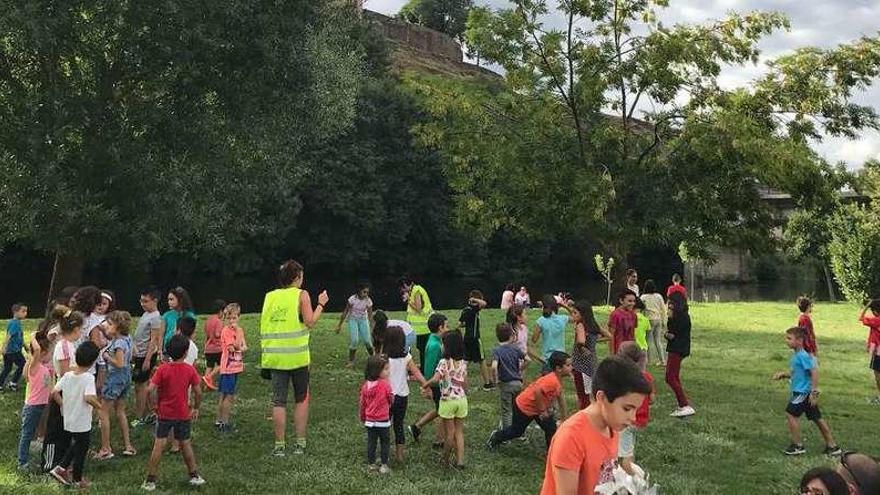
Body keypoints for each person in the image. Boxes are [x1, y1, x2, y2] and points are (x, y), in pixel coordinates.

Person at [540, 356, 652, 495]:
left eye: (636, 409)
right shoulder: (571, 437)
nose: (633, 417)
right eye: (627, 408)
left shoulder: (612, 426)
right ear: (602, 398)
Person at [261, 260, 329, 456]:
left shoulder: (269, 297)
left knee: (279, 402)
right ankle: (300, 443)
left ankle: (280, 446)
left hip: (275, 357)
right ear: (297, 277)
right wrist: (321, 304)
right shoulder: (302, 294)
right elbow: (310, 322)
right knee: (301, 399)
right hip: (297, 357)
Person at [141, 334, 205, 491]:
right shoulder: (189, 370)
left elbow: (149, 390)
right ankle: (194, 475)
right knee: (185, 443)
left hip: (164, 414)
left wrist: (153, 406)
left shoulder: (162, 369)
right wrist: (196, 407)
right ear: (185, 353)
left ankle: (150, 480)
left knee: (159, 445)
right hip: (183, 414)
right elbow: (198, 392)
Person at [773, 326, 842, 457]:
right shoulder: (797, 355)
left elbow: (814, 372)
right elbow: (799, 374)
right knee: (817, 418)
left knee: (790, 414)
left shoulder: (803, 356)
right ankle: (832, 446)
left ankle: (797, 445)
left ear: (799, 341)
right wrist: (784, 375)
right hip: (804, 392)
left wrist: (814, 393)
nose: (786, 341)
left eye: (789, 338)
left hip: (803, 393)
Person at [487, 351, 572, 450]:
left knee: (550, 428)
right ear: (559, 368)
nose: (571, 367)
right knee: (517, 431)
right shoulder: (552, 380)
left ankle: (551, 453)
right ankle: (496, 436)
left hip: (537, 408)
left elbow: (560, 397)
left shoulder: (557, 380)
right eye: (568, 365)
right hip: (523, 407)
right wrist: (543, 410)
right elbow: (537, 391)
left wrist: (565, 418)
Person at [49, 341, 101, 489]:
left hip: (70, 418)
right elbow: (89, 398)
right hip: (82, 421)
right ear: (92, 362)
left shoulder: (67, 376)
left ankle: (60, 469)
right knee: (82, 449)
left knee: (77, 443)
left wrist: (64, 405)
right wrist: (100, 407)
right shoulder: (88, 378)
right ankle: (78, 480)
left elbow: (54, 392)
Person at [43, 308, 82, 472]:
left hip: (70, 391)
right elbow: (65, 372)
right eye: (80, 329)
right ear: (74, 329)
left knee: (66, 430)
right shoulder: (64, 346)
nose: (81, 332)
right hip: (62, 391)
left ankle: (62, 463)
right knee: (55, 429)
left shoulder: (69, 345)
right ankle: (49, 464)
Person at [422, 330, 468, 468]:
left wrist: (425, 384)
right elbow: (465, 382)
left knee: (449, 433)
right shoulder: (463, 363)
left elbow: (436, 379)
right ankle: (460, 461)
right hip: (461, 400)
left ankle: (445, 459)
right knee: (459, 432)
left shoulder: (443, 362)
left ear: (447, 347)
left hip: (448, 401)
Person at [95, 311, 135, 460]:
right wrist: (101, 328)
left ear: (118, 327)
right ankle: (128, 446)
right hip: (126, 378)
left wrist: (106, 356)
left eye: (110, 324)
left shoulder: (118, 343)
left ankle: (105, 448)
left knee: (103, 411)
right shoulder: (127, 338)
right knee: (120, 411)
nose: (107, 326)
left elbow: (120, 363)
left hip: (115, 379)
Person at [384, 326, 427, 463]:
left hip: (386, 396)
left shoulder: (383, 358)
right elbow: (417, 372)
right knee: (399, 425)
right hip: (402, 396)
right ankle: (400, 456)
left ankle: (385, 454)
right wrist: (426, 385)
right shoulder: (406, 357)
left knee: (385, 425)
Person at [409, 313, 448, 449]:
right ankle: (439, 440)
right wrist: (428, 387)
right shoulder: (434, 346)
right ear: (440, 328)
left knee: (440, 409)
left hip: (437, 383)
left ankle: (417, 427)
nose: (447, 329)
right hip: (436, 384)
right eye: (446, 326)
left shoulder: (434, 340)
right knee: (442, 411)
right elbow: (429, 368)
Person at [616, 342, 654, 477]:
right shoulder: (646, 377)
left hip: (626, 421)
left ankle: (636, 481)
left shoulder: (623, 378)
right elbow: (652, 399)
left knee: (623, 457)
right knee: (628, 449)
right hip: (640, 421)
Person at [17, 333, 52, 471]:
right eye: (48, 352)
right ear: (42, 353)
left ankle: (32, 460)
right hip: (32, 407)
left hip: (41, 406)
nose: (50, 355)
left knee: (32, 432)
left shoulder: (43, 368)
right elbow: (36, 350)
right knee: (27, 434)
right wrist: (32, 337)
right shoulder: (34, 366)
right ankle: (22, 463)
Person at [131, 287, 164, 429]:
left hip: (145, 355)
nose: (142, 304)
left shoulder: (156, 317)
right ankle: (145, 411)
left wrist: (148, 359)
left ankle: (141, 416)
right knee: (138, 386)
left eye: (146, 301)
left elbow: (154, 340)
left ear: (155, 301)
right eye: (141, 301)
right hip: (138, 354)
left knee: (142, 386)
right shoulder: (146, 314)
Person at [571, 301, 612, 410]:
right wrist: (594, 342)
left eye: (575, 313)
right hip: (592, 363)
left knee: (582, 395)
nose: (572, 315)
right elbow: (609, 336)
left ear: (582, 314)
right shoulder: (593, 325)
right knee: (589, 391)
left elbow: (581, 341)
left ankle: (585, 416)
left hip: (580, 365)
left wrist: (582, 346)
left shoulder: (580, 325)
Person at [359, 355, 393, 474]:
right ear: (377, 371)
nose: (388, 371)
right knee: (385, 442)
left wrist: (363, 416)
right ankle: (384, 465)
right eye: (386, 369)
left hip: (369, 421)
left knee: (371, 442)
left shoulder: (365, 386)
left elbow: (362, 404)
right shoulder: (385, 385)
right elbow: (390, 398)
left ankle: (371, 464)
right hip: (383, 420)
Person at [665, 292, 695, 417]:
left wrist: (669, 320)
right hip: (682, 348)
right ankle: (682, 403)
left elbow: (671, 334)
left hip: (676, 348)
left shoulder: (677, 317)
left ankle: (684, 404)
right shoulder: (685, 315)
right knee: (675, 377)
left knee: (670, 377)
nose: (668, 305)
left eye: (670, 302)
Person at [217, 303, 246, 432]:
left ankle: (220, 420)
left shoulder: (239, 331)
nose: (231, 321)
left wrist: (240, 342)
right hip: (228, 368)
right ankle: (224, 422)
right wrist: (238, 334)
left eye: (234, 318)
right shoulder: (227, 331)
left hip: (236, 367)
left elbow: (245, 346)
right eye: (229, 318)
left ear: (238, 318)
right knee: (227, 396)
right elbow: (235, 347)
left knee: (226, 394)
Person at [492, 323, 525, 429]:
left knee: (506, 410)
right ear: (511, 336)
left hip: (506, 384)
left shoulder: (497, 351)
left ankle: (506, 434)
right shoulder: (515, 349)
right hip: (518, 382)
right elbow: (528, 359)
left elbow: (493, 367)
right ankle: (519, 431)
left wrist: (496, 380)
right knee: (517, 408)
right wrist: (520, 369)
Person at [458, 289, 492, 390]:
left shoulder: (465, 310)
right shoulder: (474, 309)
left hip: (467, 338)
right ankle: (487, 384)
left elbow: (460, 324)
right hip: (475, 338)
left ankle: (458, 377)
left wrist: (468, 324)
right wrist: (475, 300)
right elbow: (484, 303)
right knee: (482, 360)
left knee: (466, 360)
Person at [336, 282, 375, 368]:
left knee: (368, 341)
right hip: (353, 320)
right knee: (354, 341)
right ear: (359, 291)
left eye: (368, 292)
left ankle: (374, 357)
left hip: (363, 320)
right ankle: (351, 361)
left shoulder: (368, 301)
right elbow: (345, 311)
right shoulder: (352, 299)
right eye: (364, 292)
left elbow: (370, 316)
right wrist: (339, 325)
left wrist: (373, 328)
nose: (366, 294)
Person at [400, 276, 433, 372]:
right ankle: (414, 368)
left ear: (406, 285)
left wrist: (408, 300)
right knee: (416, 347)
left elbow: (419, 308)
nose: (402, 290)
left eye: (403, 288)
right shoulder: (413, 290)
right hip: (417, 326)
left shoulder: (417, 291)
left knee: (422, 349)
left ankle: (423, 370)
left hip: (423, 327)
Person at [532, 295, 571, 371]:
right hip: (561, 358)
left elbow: (534, 340)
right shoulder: (562, 318)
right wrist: (565, 306)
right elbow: (576, 316)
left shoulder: (541, 321)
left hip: (548, 358)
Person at [1, 302, 28, 390]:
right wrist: (4, 347)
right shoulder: (15, 323)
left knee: (7, 368)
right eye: (23, 311)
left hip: (11, 351)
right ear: (15, 312)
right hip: (13, 351)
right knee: (23, 365)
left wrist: (25, 346)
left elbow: (19, 337)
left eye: (26, 311)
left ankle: (0, 384)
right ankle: (13, 383)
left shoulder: (16, 323)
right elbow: (9, 335)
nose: (25, 313)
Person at [640, 280, 667, 366]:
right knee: (657, 340)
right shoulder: (658, 296)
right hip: (658, 319)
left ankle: (648, 360)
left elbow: (640, 309)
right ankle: (662, 360)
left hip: (648, 319)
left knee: (647, 341)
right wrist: (664, 320)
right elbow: (663, 309)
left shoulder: (643, 297)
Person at [858, 299, 880, 404]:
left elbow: (861, 318)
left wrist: (867, 306)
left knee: (877, 375)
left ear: (876, 311)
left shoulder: (876, 321)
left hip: (877, 351)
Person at [202, 299, 226, 391]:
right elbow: (217, 334)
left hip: (208, 348)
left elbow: (207, 335)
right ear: (220, 310)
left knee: (209, 366)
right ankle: (208, 377)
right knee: (222, 364)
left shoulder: (208, 320)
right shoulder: (218, 321)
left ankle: (206, 386)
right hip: (217, 348)